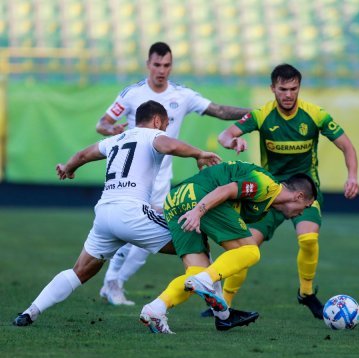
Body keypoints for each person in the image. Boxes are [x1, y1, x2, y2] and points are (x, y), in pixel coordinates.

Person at [12, 101, 222, 327]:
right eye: (166, 124)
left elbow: (83, 154)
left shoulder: (116, 139)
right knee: (195, 242)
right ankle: (222, 314)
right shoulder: (152, 135)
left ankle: (30, 311)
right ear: (157, 121)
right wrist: (199, 153)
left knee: (80, 271)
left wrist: (68, 168)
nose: (165, 129)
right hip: (132, 213)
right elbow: (169, 145)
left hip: (104, 213)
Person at [96, 41, 250, 306]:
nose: (162, 70)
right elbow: (103, 123)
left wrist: (258, 115)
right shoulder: (131, 95)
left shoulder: (183, 95)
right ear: (148, 64)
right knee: (130, 235)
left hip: (161, 181)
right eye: (157, 64)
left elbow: (220, 111)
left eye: (167, 65)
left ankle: (113, 283)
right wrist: (112, 131)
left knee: (142, 244)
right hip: (133, 179)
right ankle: (113, 282)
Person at [216, 63, 359, 319]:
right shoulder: (262, 115)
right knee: (245, 248)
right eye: (283, 89)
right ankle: (223, 303)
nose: (288, 94)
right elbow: (225, 135)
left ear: (299, 88)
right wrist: (233, 141)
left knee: (308, 239)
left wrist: (352, 176)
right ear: (273, 88)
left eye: (293, 89)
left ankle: (306, 293)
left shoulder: (315, 115)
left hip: (305, 193)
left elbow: (347, 147)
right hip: (270, 195)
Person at [139, 160, 317, 334]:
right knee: (250, 250)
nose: (302, 213)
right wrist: (198, 211)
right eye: (306, 207)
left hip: (175, 199)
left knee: (194, 273)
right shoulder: (267, 185)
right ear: (299, 196)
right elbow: (225, 189)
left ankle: (155, 309)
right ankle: (208, 284)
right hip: (199, 198)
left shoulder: (263, 208)